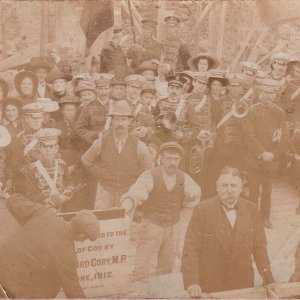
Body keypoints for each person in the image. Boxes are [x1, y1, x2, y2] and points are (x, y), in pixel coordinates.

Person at [181, 166, 278, 297]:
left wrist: (268, 278)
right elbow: (190, 248)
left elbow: (259, 247)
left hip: (242, 283)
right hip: (210, 285)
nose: (229, 190)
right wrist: (192, 281)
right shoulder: (202, 210)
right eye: (224, 185)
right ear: (217, 187)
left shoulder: (252, 210)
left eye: (234, 185)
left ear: (241, 188)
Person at [121, 142, 200, 281]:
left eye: (175, 159)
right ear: (162, 158)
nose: (172, 162)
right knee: (143, 266)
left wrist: (190, 198)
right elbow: (137, 191)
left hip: (173, 225)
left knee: (167, 268)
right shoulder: (150, 175)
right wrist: (127, 205)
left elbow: (195, 193)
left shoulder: (183, 177)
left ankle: (163, 289)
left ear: (180, 160)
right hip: (152, 223)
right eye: (168, 158)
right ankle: (140, 288)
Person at [0, 195, 99, 298]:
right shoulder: (66, 254)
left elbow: (13, 201)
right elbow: (73, 291)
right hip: (14, 289)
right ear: (82, 235)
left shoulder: (46, 212)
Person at [81, 100, 153, 209]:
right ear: (112, 121)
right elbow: (86, 161)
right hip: (105, 192)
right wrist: (100, 174)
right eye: (117, 119)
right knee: (103, 222)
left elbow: (148, 171)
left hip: (128, 193)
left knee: (125, 223)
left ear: (129, 121)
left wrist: (134, 183)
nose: (120, 123)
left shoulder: (139, 146)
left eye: (123, 119)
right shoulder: (101, 142)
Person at [244, 78, 288, 229]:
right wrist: (262, 153)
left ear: (275, 95)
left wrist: (273, 155)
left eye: (271, 93)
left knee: (267, 191)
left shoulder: (280, 113)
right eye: (265, 92)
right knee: (254, 191)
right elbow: (248, 136)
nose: (268, 96)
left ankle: (265, 218)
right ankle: (251, 219)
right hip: (255, 159)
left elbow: (283, 137)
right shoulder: (252, 111)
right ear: (260, 93)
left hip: (271, 160)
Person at [21, 128, 73, 208]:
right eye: (45, 147)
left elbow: (69, 181)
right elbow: (30, 195)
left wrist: (68, 191)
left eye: (51, 146)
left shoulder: (62, 164)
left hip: (62, 207)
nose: (48, 150)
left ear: (56, 148)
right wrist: (47, 199)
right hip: (42, 209)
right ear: (39, 148)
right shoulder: (32, 169)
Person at [7, 102, 46, 193]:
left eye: (39, 117)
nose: (36, 121)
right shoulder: (19, 138)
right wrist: (30, 172)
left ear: (43, 118)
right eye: (33, 118)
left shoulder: (48, 134)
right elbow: (15, 163)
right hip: (27, 179)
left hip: (48, 177)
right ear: (26, 118)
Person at [76, 74, 114, 147]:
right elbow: (80, 130)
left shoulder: (117, 106)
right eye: (100, 89)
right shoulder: (88, 108)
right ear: (95, 89)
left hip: (112, 145)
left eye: (106, 88)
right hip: (94, 146)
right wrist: (96, 135)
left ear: (110, 89)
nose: (103, 92)